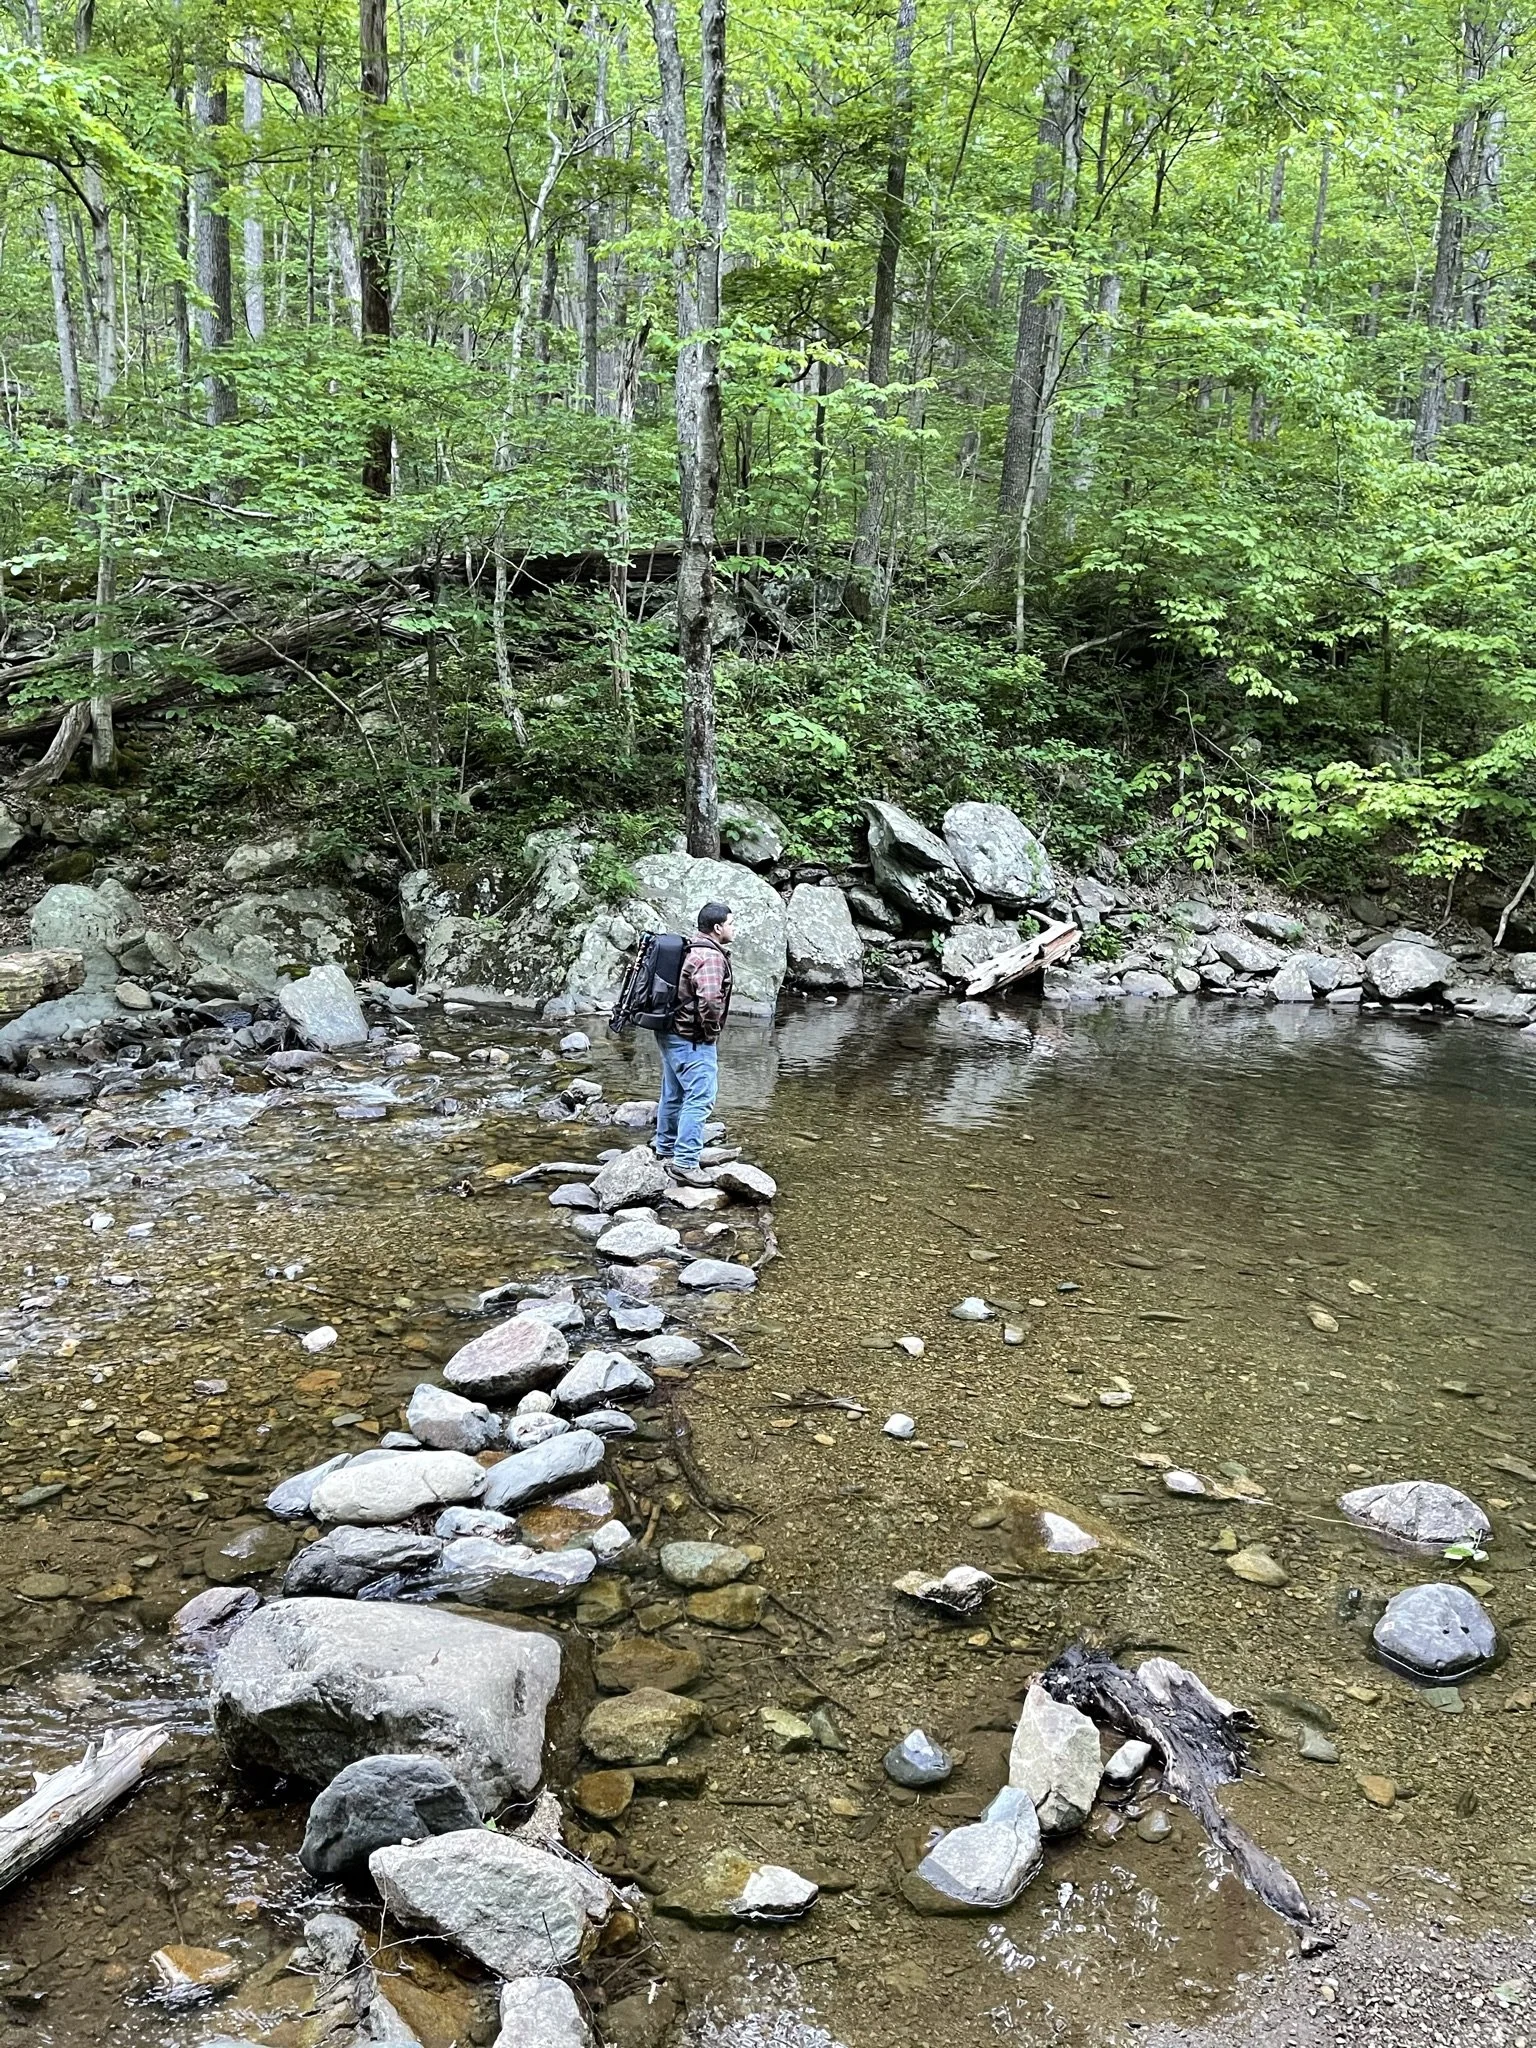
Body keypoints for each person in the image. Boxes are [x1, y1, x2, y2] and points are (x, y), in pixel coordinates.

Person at [653, 901, 734, 1183]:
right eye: (731, 923)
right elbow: (710, 999)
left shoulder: (690, 948)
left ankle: (664, 1151)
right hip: (692, 1038)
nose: (733, 928)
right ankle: (685, 1162)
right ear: (717, 927)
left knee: (673, 1093)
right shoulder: (710, 957)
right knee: (700, 1099)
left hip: (670, 1032)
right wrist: (710, 1031)